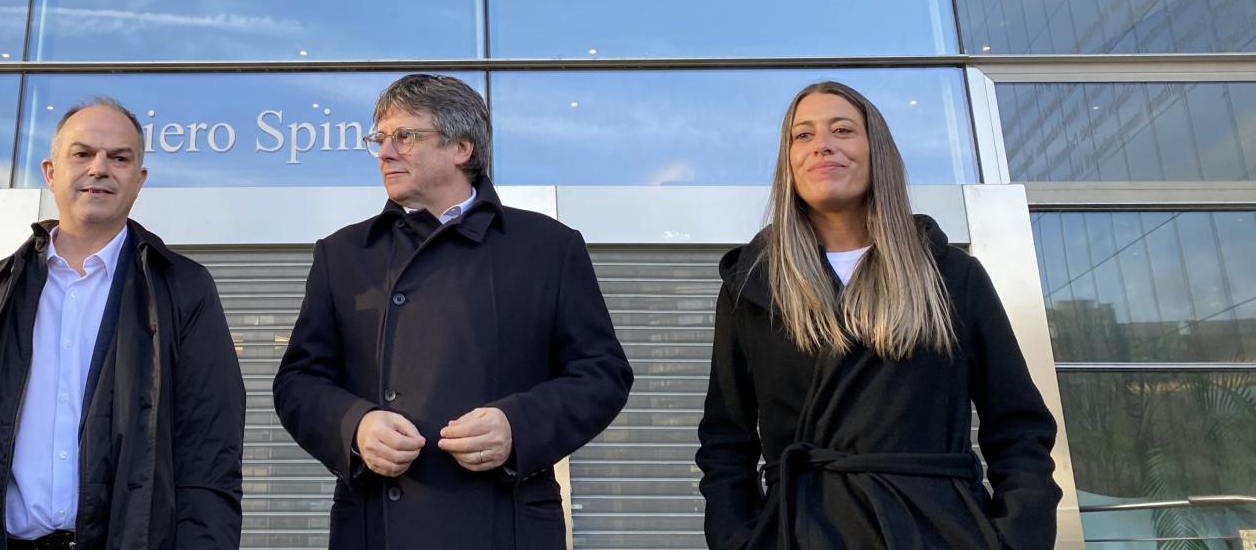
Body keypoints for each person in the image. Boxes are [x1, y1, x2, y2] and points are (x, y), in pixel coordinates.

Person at [273, 73, 633, 550]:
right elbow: (298, 382)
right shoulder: (343, 255)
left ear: (461, 147)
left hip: (507, 526)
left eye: (404, 136)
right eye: (379, 138)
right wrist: (355, 427)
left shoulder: (547, 248)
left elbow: (603, 374)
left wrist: (518, 427)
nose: (384, 152)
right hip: (377, 527)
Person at [695, 81, 1060, 549]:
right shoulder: (752, 288)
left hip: (938, 530)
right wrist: (739, 540)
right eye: (802, 135)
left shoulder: (951, 276)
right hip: (800, 531)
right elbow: (726, 441)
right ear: (789, 164)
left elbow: (1018, 426)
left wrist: (1015, 539)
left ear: (877, 151)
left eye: (842, 129)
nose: (822, 144)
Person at [0, 97, 245, 550]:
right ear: (51, 171)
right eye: (82, 154)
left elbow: (211, 446)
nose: (100, 168)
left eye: (119, 158)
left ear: (139, 181)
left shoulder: (183, 289)